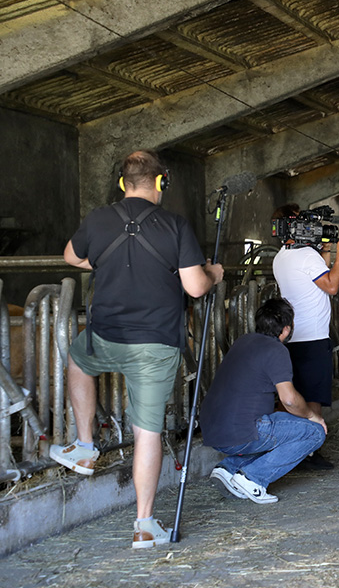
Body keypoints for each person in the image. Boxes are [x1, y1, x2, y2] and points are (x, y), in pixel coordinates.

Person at [49, 150, 224, 548]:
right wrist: (213, 271)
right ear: (161, 182)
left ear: (121, 184)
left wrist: (107, 261)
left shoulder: (97, 218)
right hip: (155, 343)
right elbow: (195, 287)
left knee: (77, 361)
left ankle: (85, 446)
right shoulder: (175, 225)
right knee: (147, 431)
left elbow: (71, 256)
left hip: (105, 335)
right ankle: (144, 525)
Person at [199, 298, 327, 503]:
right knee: (314, 433)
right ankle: (253, 478)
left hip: (213, 430)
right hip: (243, 431)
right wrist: (313, 416)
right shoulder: (277, 350)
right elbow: (289, 400)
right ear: (286, 329)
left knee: (277, 433)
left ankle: (229, 468)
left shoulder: (243, 341)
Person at [271, 204, 339, 470]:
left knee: (294, 395)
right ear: (295, 225)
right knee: (313, 398)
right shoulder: (306, 255)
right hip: (314, 338)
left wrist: (327, 248)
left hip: (292, 337)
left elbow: (317, 272)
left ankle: (290, 449)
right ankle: (309, 453)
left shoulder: (281, 256)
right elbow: (331, 285)